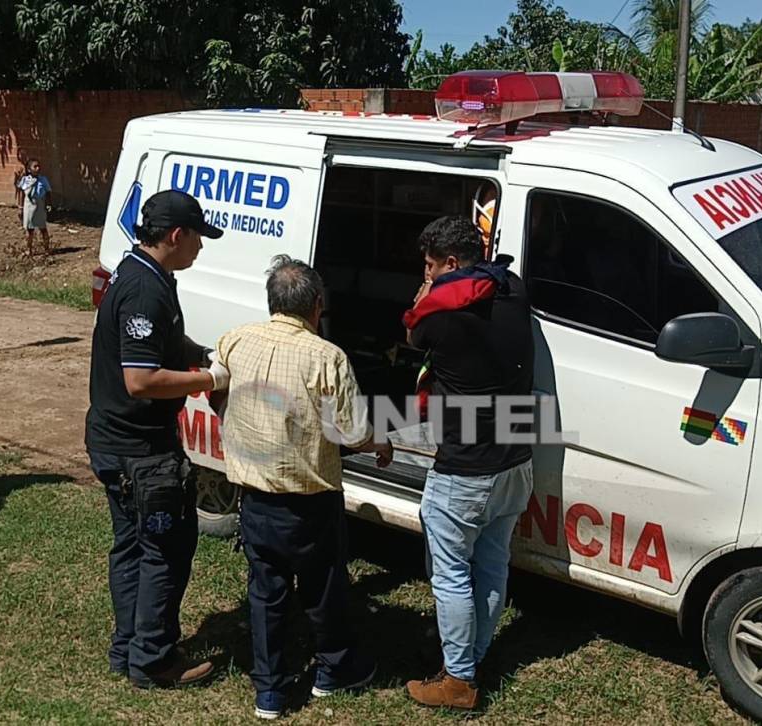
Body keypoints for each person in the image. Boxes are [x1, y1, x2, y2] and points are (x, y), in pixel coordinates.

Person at [216, 255, 391, 720]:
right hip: (311, 502)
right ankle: (333, 670)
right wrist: (383, 441)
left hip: (255, 499)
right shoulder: (328, 357)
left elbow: (216, 382)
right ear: (318, 305)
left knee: (265, 592)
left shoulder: (237, 339)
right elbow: (351, 433)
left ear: (271, 301)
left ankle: (269, 691)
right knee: (322, 589)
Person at [84, 190, 230, 690]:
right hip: (139, 451)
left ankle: (129, 648)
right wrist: (211, 383)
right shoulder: (145, 291)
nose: (200, 249)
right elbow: (141, 379)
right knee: (164, 548)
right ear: (175, 236)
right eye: (198, 239)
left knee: (131, 546)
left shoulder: (146, 275)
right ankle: (153, 660)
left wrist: (206, 355)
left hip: (115, 441)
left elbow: (168, 344)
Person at [402, 216, 534, 710]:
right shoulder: (515, 291)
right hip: (517, 455)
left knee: (452, 573)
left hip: (465, 467)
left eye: (431, 267)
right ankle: (473, 657)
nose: (428, 276)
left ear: (451, 264)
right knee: (493, 562)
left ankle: (458, 680)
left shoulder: (440, 316)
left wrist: (427, 288)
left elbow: (413, 326)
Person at [16, 159, 52, 257]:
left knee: (43, 228)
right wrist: (20, 207)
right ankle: (29, 249)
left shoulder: (43, 179)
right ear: (29, 169)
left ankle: (47, 249)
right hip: (29, 206)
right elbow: (21, 194)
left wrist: (48, 204)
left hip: (39, 205)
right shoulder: (25, 180)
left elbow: (48, 192)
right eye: (35, 167)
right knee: (29, 229)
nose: (37, 168)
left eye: (38, 166)